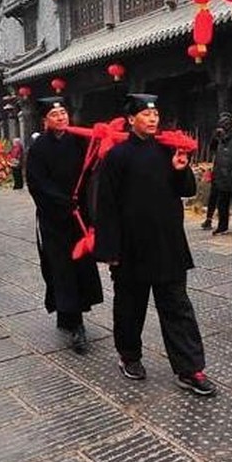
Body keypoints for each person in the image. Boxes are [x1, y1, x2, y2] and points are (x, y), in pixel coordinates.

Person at [94, 93, 213, 395]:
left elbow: (186, 191)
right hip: (131, 248)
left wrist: (180, 167)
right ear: (132, 119)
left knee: (178, 308)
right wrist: (110, 250)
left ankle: (189, 368)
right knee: (130, 307)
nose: (153, 119)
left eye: (156, 114)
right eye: (146, 115)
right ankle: (129, 355)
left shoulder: (167, 150)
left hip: (168, 245)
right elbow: (105, 206)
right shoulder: (116, 157)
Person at [26, 96, 103, 353]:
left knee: (81, 267)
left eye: (63, 112)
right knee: (61, 268)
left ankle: (74, 313)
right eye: (55, 114)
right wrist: (62, 202)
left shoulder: (78, 140)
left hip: (79, 215)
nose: (61, 117)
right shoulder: (38, 148)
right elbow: (37, 184)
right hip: (54, 219)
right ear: (45, 120)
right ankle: (74, 323)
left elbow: (91, 168)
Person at [203, 115, 232, 235]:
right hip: (221, 179)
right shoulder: (220, 140)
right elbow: (212, 149)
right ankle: (222, 226)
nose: (221, 131)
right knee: (222, 206)